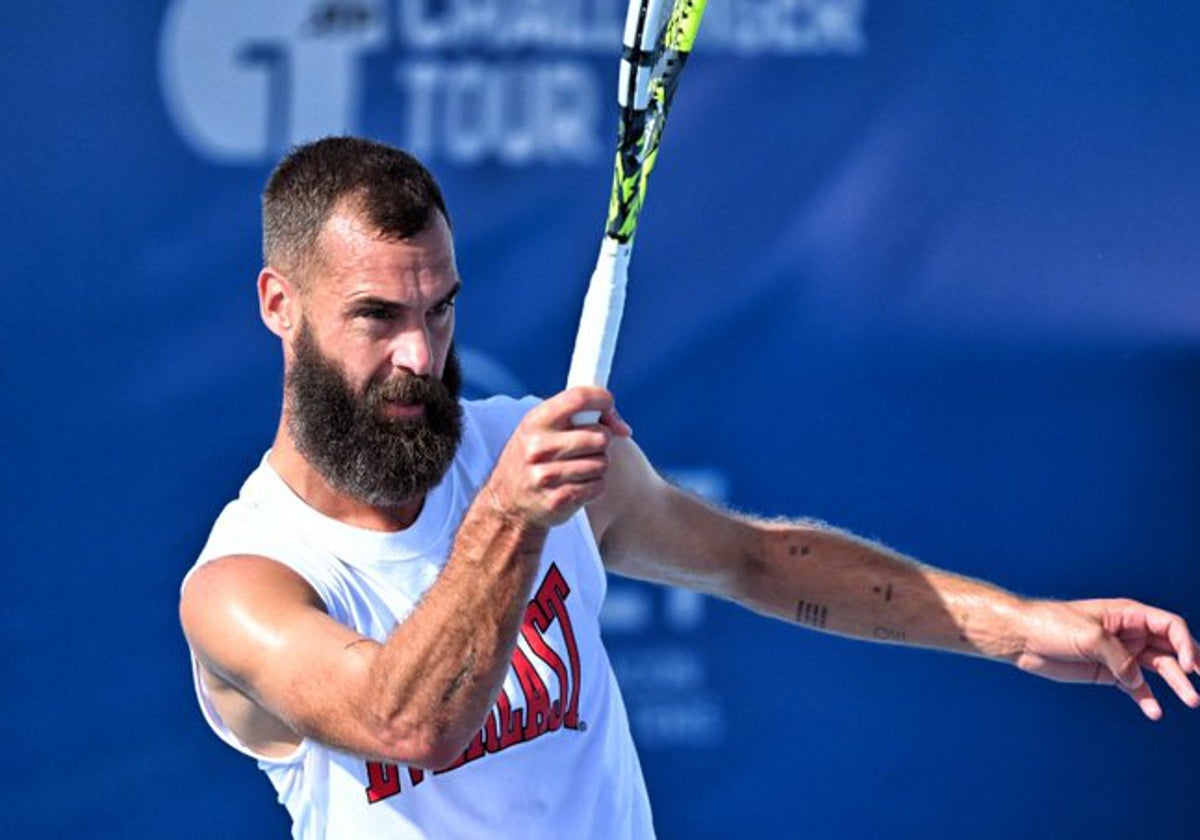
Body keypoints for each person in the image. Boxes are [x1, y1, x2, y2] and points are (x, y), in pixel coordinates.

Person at [180, 136, 1199, 839]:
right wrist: (509, 519)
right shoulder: (245, 584)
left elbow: (758, 560)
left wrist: (1022, 627)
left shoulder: (522, 460)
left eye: (440, 311)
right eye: (375, 318)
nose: (419, 353)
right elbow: (401, 723)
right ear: (281, 305)